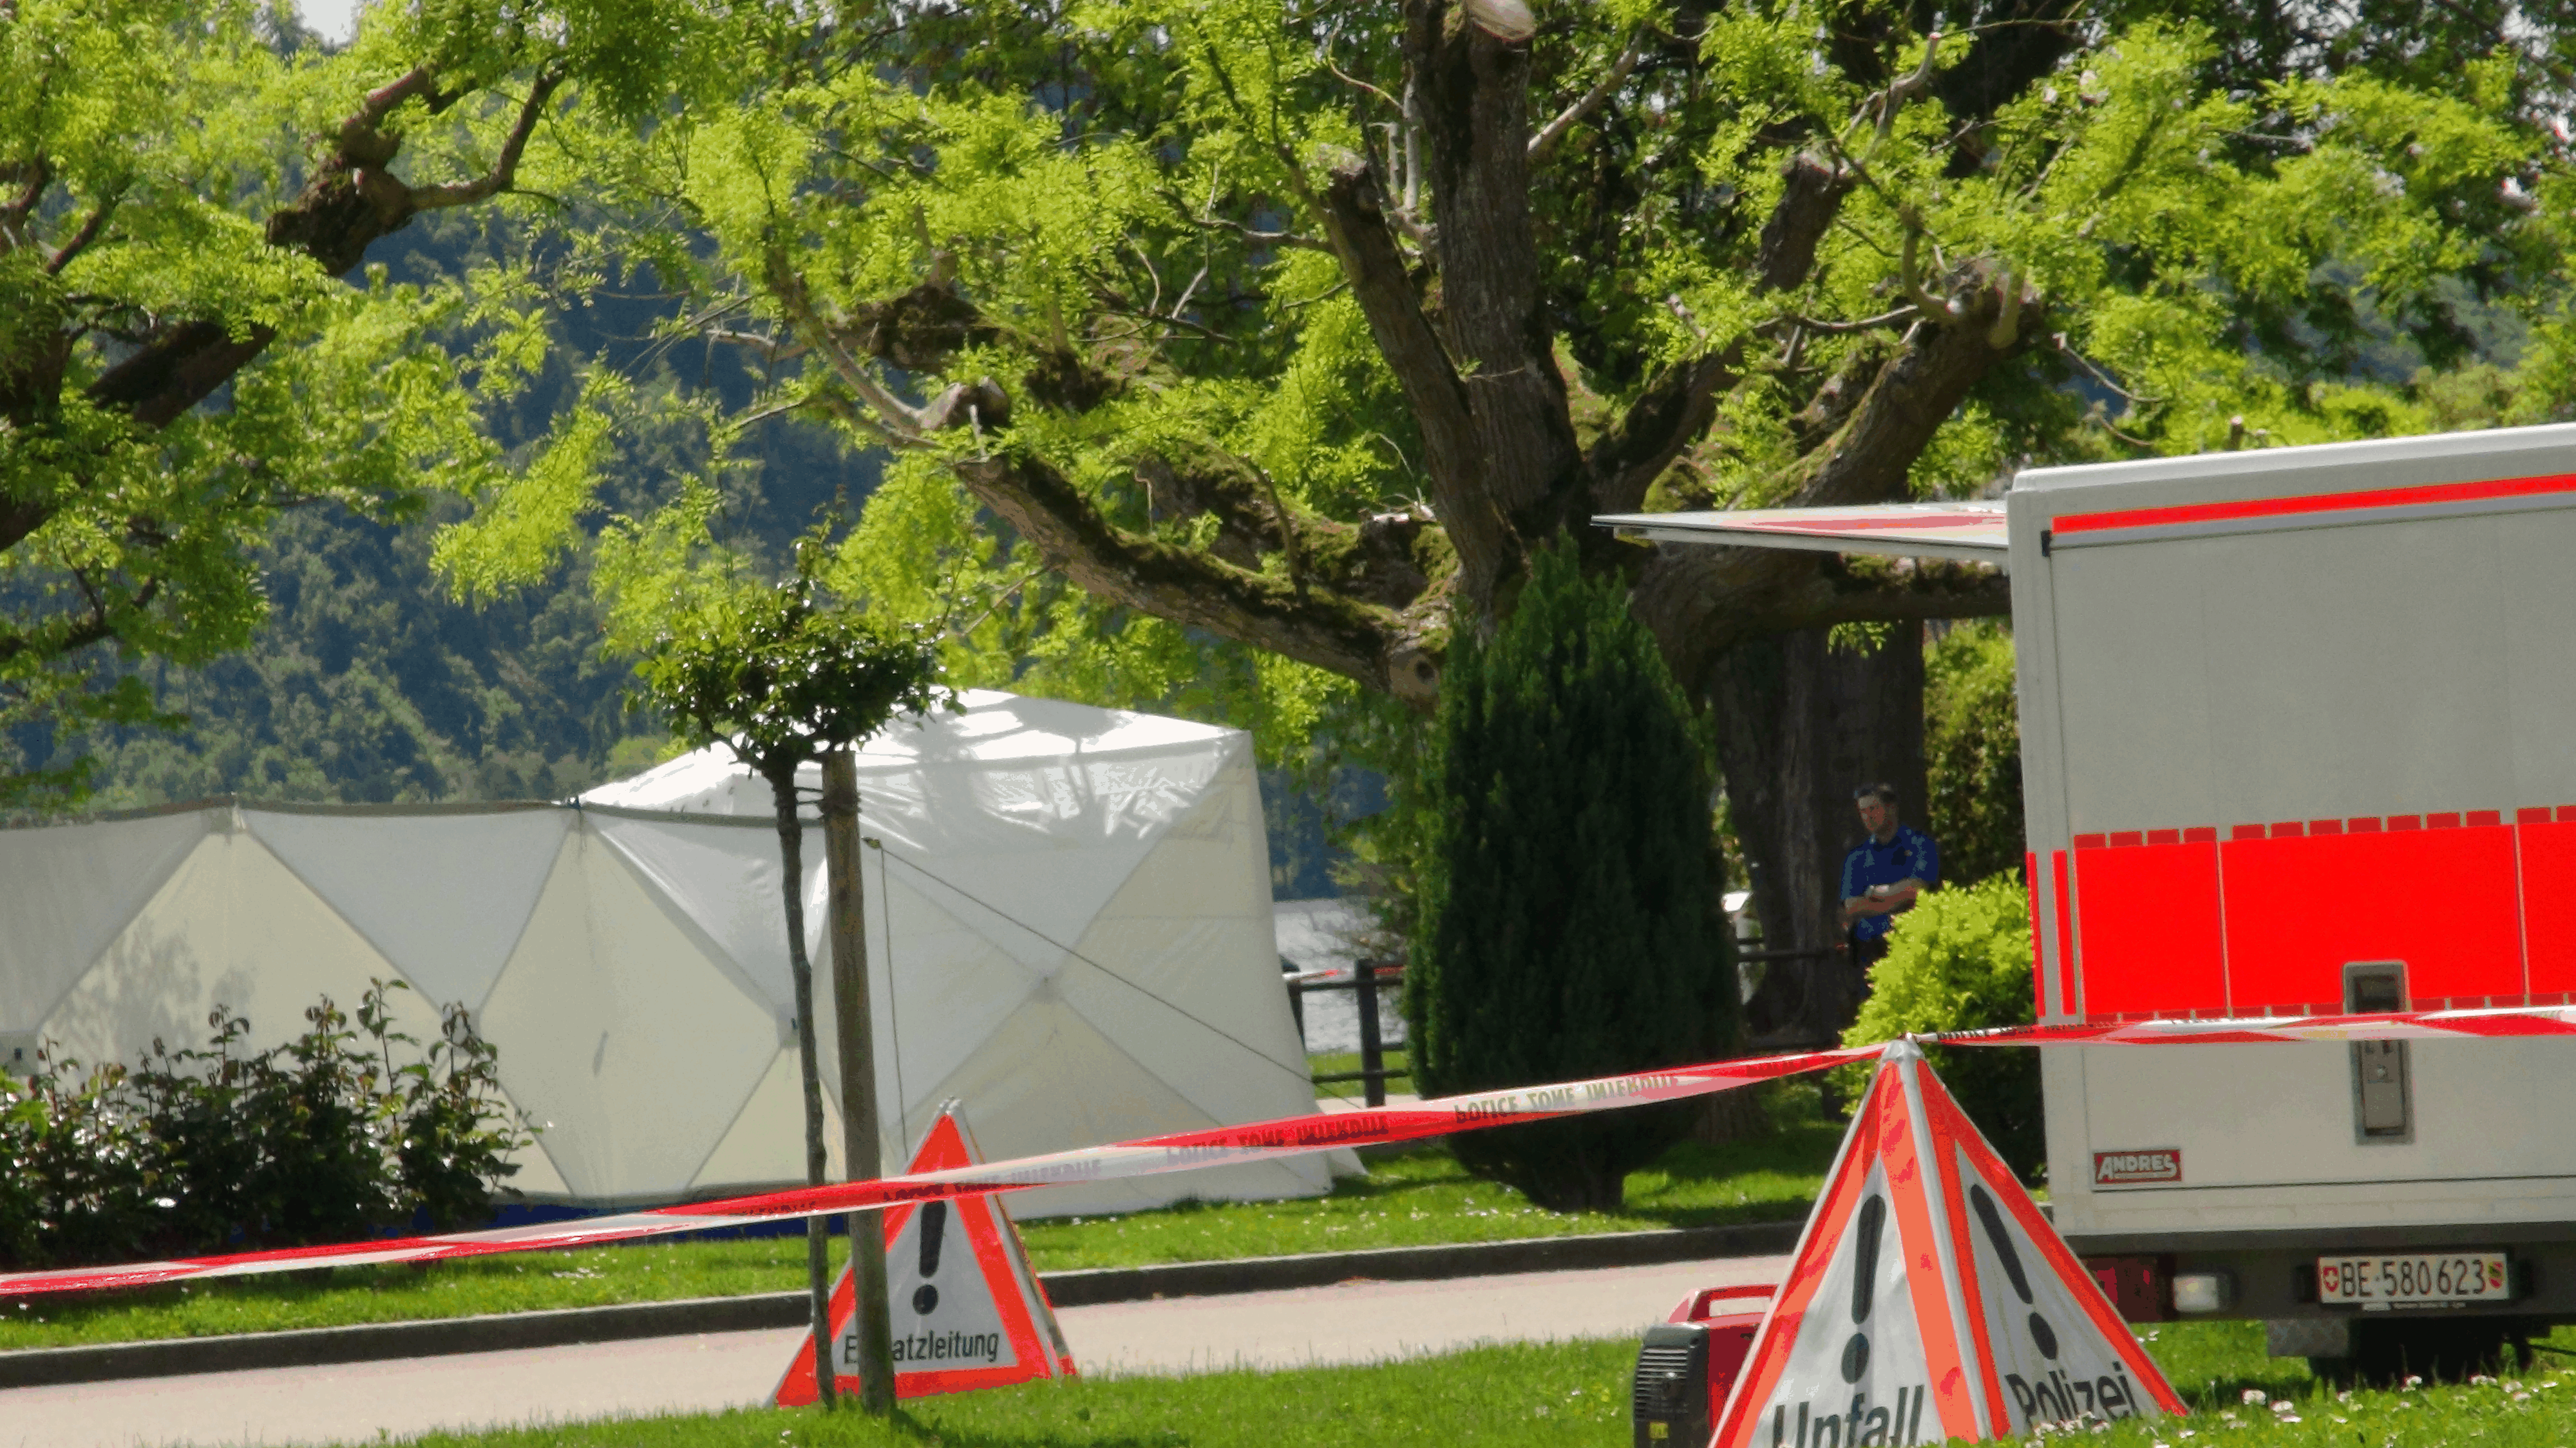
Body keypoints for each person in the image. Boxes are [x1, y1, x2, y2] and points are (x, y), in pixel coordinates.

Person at [1837, 782, 1938, 972]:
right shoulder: (1856, 858)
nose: (1868, 817)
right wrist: (1895, 904)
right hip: (1869, 949)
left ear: (1891, 808)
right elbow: (1852, 906)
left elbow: (1916, 889)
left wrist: (1876, 893)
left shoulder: (1920, 845)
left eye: (1873, 809)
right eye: (1863, 811)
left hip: (1913, 942)